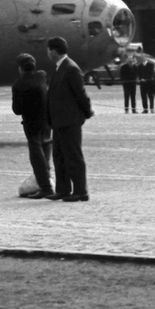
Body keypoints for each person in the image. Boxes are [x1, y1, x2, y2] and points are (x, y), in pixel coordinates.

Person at [45, 36, 94, 202]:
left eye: (48, 50)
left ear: (53, 51)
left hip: (70, 121)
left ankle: (81, 191)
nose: (47, 53)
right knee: (59, 157)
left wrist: (87, 112)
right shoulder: (60, 68)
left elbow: (81, 94)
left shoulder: (71, 68)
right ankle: (63, 189)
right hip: (59, 122)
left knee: (73, 157)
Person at [10, 53, 53, 199]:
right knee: (46, 152)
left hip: (31, 124)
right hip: (47, 121)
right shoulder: (41, 77)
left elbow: (17, 110)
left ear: (20, 68)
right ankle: (49, 181)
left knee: (36, 156)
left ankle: (45, 187)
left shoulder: (18, 85)